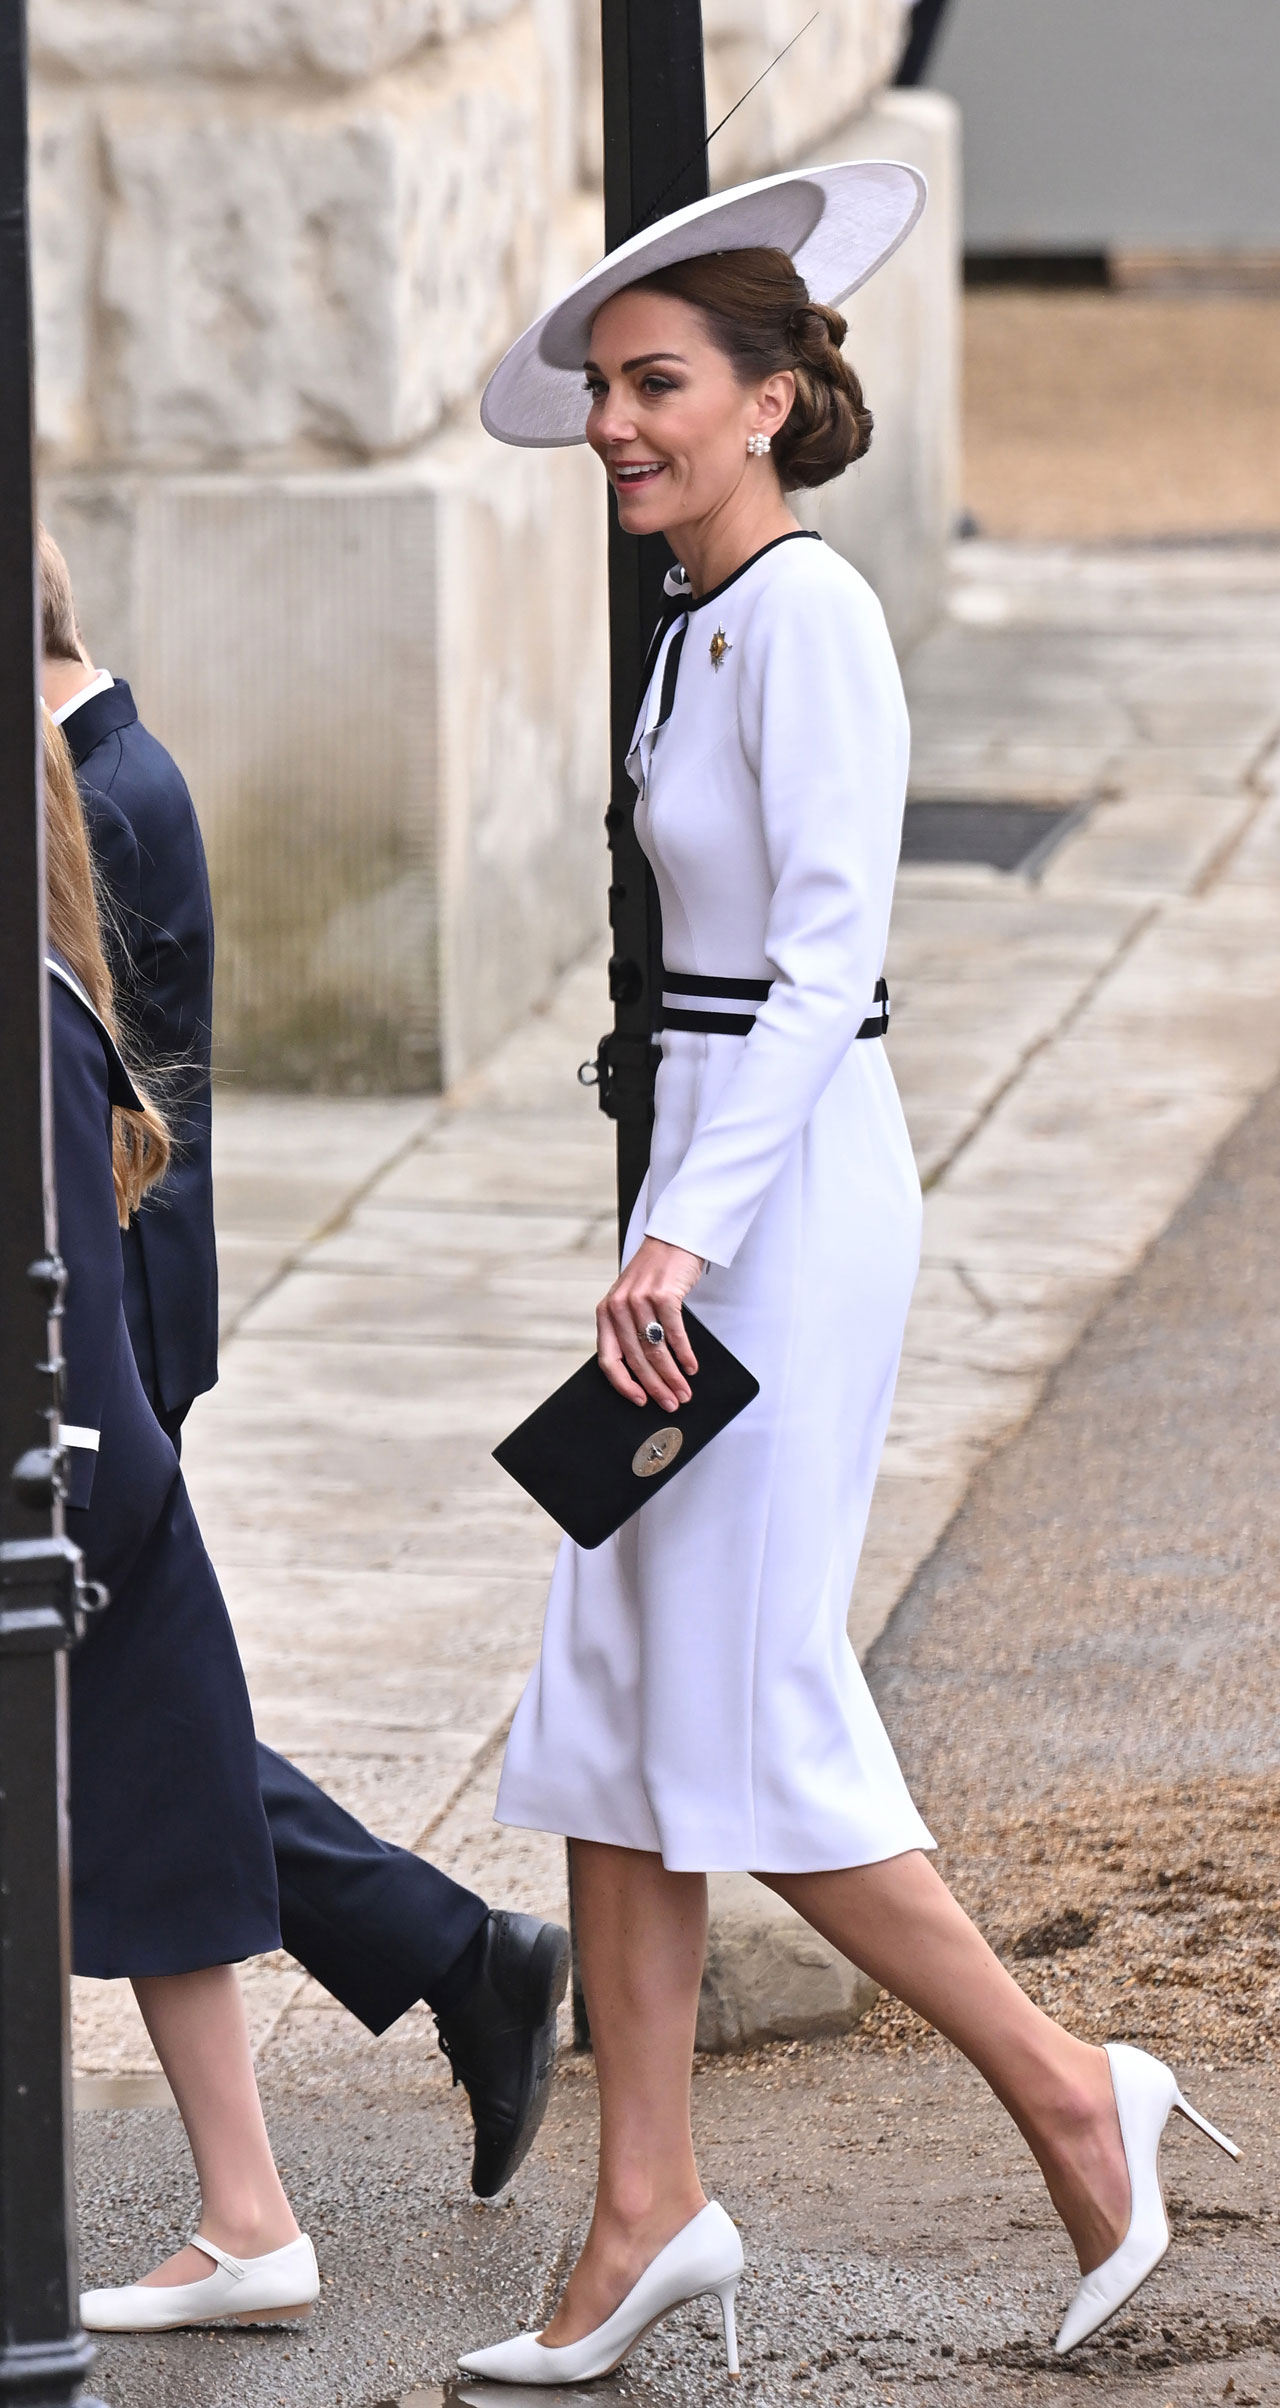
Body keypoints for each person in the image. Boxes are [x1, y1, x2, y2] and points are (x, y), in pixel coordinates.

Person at [458, 163, 1239, 2384]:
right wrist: (660, 1210)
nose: (617, 421)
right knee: (606, 1684)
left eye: (658, 384)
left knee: (750, 1707)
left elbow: (816, 972)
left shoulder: (806, 619)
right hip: (701, 1183)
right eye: (605, 388)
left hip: (779, 1196)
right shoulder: (699, 616)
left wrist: (689, 1226)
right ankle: (645, 2207)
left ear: (777, 400)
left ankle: (1078, 2091)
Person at [38, 526, 569, 2199]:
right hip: (102, 1321)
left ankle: (458, 1959)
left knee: (137, 1730)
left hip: (99, 1340)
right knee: (133, 1727)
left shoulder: (102, 794)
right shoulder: (99, 764)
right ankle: (458, 1959)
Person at [43, 709, 318, 2331]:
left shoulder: (41, 1012)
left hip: (84, 1500)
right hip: (93, 1497)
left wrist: (59, 1529)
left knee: (153, 1849)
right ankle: (251, 2216)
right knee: (156, 1862)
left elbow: (68, 1309)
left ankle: (254, 2217)